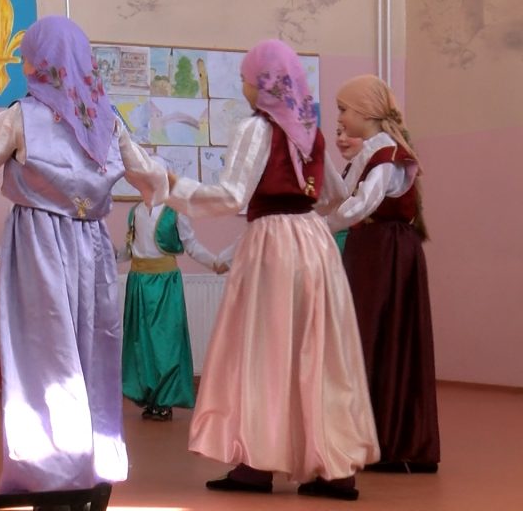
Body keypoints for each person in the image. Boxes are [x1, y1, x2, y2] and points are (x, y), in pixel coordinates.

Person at [0, 15, 166, 493]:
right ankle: (92, 462)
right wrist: (173, 193)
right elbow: (148, 175)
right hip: (92, 245)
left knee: (45, 354)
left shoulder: (20, 117)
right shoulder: (107, 121)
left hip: (38, 244)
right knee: (92, 347)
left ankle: (53, 469)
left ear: (36, 62)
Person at [163, 40, 379, 500]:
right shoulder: (310, 133)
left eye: (245, 78)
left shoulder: (255, 129)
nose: (243, 86)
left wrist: (171, 187)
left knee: (265, 349)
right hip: (314, 245)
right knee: (317, 352)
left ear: (261, 85)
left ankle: (256, 464)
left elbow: (231, 196)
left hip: (273, 247)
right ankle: (333, 470)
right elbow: (334, 196)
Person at [329, 74, 439, 473]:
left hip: (387, 255)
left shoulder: (388, 156)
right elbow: (342, 199)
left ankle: (395, 442)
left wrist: (316, 227)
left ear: (365, 112)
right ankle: (373, 436)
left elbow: (361, 205)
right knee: (369, 338)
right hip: (372, 251)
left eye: (344, 110)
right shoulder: (371, 154)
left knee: (386, 338)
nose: (340, 119)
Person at [119, 192, 220, 421]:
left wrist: (214, 262)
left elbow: (190, 244)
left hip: (165, 282)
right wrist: (103, 256)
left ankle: (165, 400)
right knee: (141, 342)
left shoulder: (175, 211)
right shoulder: (135, 212)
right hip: (138, 283)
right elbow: (129, 250)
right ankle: (149, 399)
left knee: (166, 342)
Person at [332, 123, 364, 252]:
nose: (341, 138)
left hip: (356, 239)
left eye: (349, 133)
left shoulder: (367, 167)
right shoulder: (351, 166)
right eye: (339, 133)